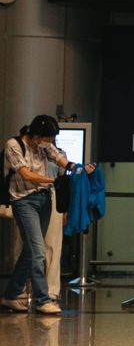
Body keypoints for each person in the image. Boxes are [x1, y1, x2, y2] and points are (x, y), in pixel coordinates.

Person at [2, 116, 78, 315]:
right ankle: (42, 300)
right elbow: (26, 174)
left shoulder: (44, 145)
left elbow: (59, 159)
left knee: (30, 252)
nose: (49, 143)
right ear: (36, 136)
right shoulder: (13, 145)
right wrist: (53, 181)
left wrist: (77, 168)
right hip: (23, 202)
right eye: (47, 139)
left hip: (44, 200)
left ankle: (10, 295)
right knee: (38, 251)